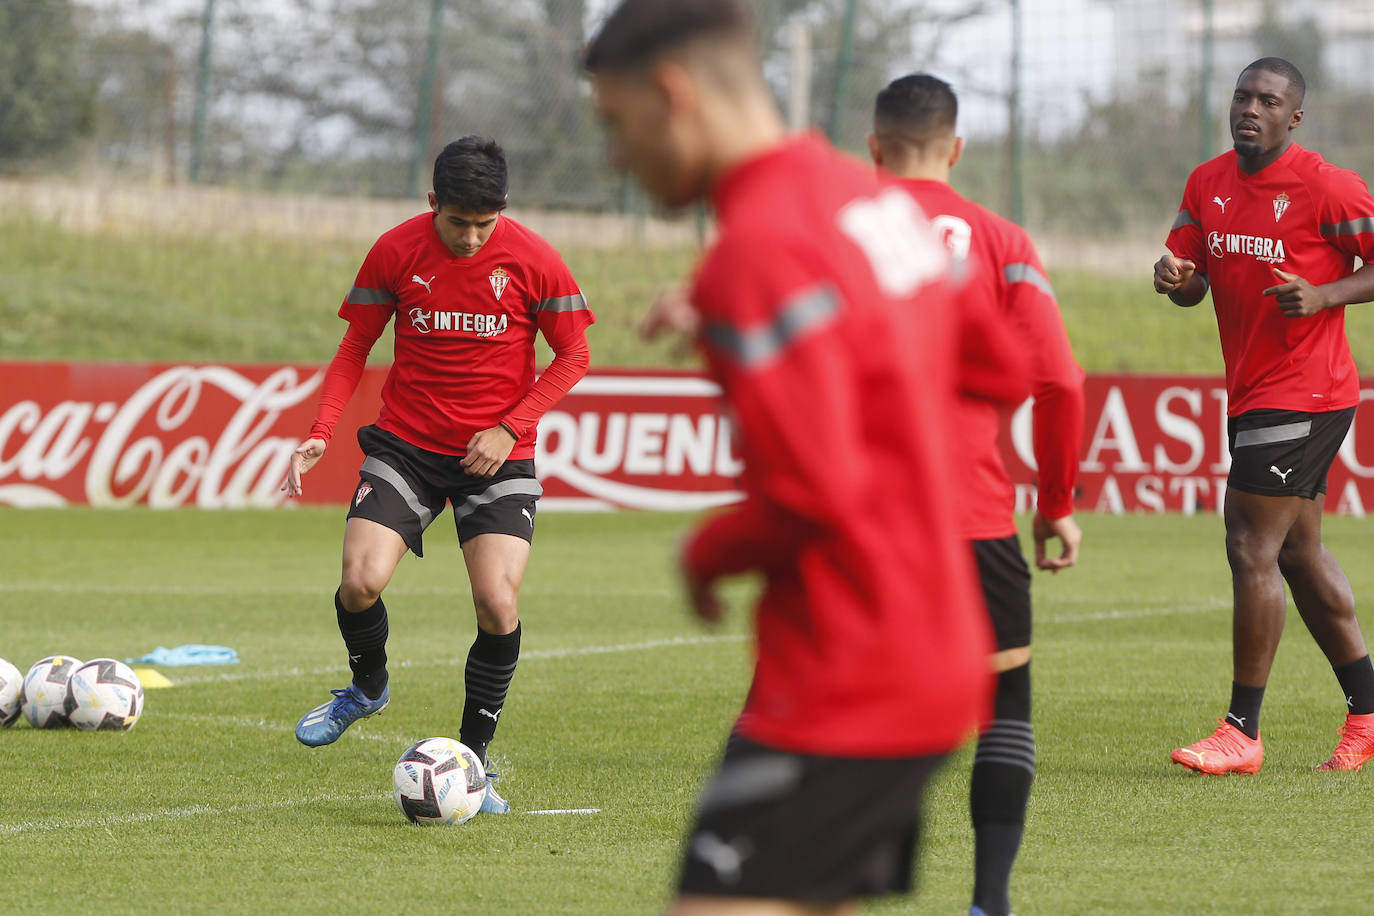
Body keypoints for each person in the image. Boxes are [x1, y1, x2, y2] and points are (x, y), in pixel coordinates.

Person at [585, 2, 1026, 913]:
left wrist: (702, 555)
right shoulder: (868, 201)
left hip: (849, 666)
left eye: (614, 126)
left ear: (672, 95)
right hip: (933, 641)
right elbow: (1000, 364)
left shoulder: (761, 251)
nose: (614, 161)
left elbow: (813, 487)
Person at [283, 136, 595, 813]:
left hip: (498, 456)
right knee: (360, 582)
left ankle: (472, 766)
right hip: (407, 447)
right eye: (458, 223)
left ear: (503, 210)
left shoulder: (535, 259)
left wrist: (510, 426)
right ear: (433, 204)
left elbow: (573, 354)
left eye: (484, 225)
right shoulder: (395, 250)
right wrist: (320, 432)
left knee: (498, 605)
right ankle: (367, 687)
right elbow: (354, 346)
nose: (471, 238)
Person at [868, 74, 1085, 916]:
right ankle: (989, 902)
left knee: (831, 706)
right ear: (956, 148)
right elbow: (1061, 382)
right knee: (1003, 707)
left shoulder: (833, 232)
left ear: (876, 147)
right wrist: (1055, 501)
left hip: (864, 520)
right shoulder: (1003, 241)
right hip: (974, 516)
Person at [1155, 57, 1374, 774]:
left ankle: (1242, 730)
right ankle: (1368, 713)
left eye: (1268, 100)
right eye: (1243, 96)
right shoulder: (1207, 183)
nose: (1251, 108)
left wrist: (1326, 295)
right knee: (1297, 554)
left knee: (1250, 544)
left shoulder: (1325, 186)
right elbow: (1193, 281)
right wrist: (1177, 280)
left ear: (1294, 116)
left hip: (1306, 390)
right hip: (1253, 389)